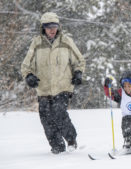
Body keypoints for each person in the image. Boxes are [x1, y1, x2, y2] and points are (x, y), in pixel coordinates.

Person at [21, 12, 86, 154]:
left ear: (58, 27)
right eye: (48, 26)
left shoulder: (66, 41)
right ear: (43, 27)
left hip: (63, 86)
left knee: (58, 111)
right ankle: (57, 146)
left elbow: (79, 61)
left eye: (55, 26)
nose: (52, 29)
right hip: (43, 88)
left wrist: (78, 73)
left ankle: (71, 140)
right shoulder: (36, 43)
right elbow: (26, 65)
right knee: (46, 118)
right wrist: (29, 76)